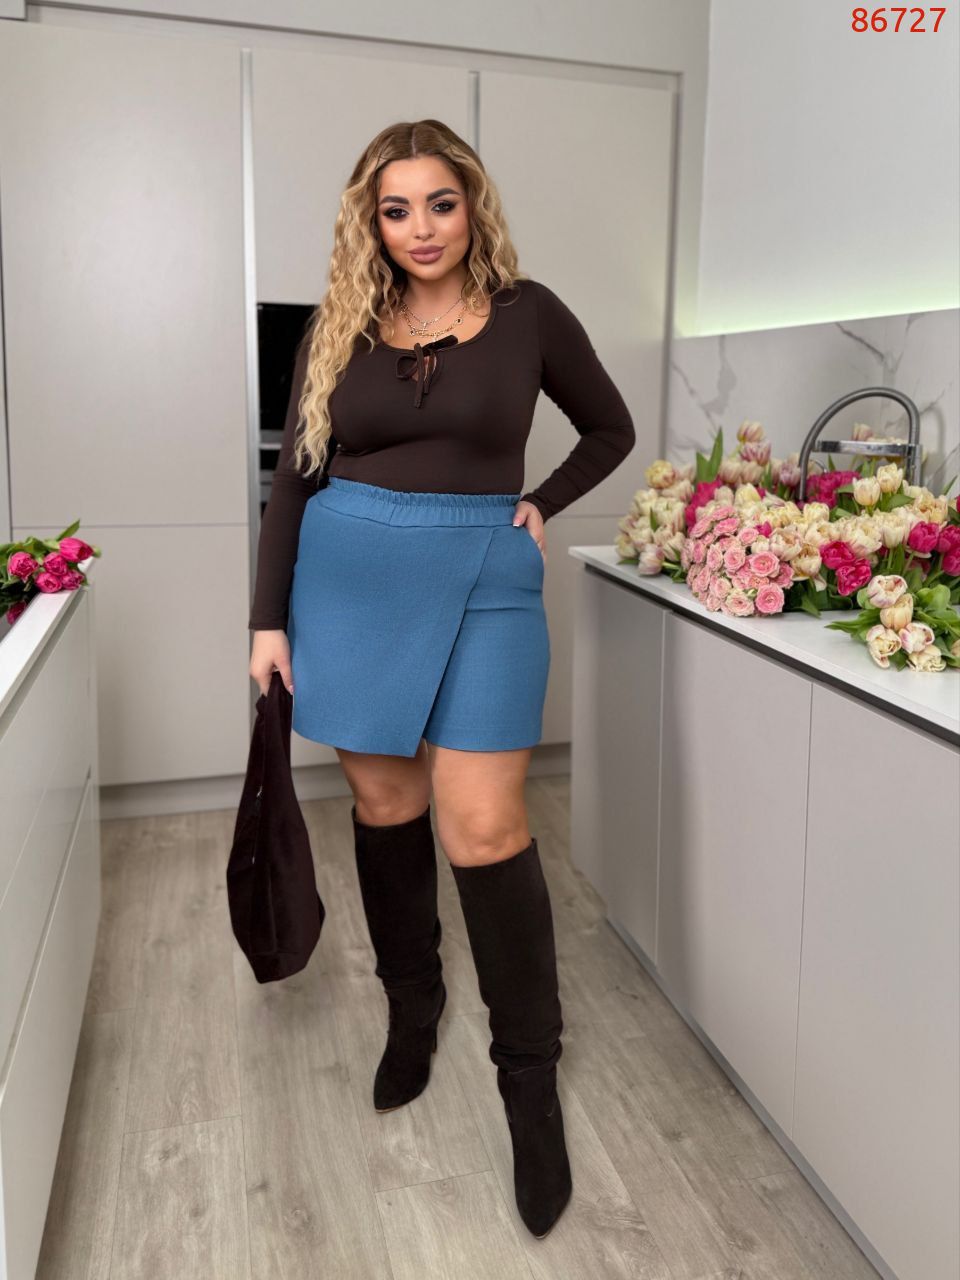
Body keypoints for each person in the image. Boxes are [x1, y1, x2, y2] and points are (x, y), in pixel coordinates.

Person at [248, 119, 636, 1240]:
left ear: (474, 206)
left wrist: (541, 503)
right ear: (371, 222)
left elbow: (608, 427)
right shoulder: (341, 322)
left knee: (485, 827)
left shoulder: (530, 313)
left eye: (441, 203)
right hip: (349, 584)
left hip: (485, 579)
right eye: (396, 209)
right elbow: (296, 479)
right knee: (386, 806)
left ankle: (529, 1083)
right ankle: (412, 1011)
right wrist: (266, 618)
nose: (420, 228)